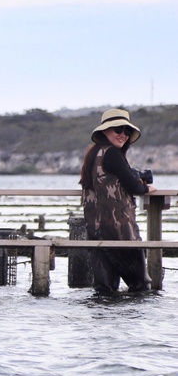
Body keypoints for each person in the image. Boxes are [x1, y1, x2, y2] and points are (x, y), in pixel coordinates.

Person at [79, 109, 157, 293]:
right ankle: (131, 322)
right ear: (105, 131)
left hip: (95, 231)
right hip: (119, 231)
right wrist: (146, 188)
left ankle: (102, 322)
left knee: (104, 289)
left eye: (126, 131)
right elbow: (133, 187)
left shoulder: (93, 154)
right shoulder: (113, 154)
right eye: (117, 130)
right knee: (141, 287)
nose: (123, 135)